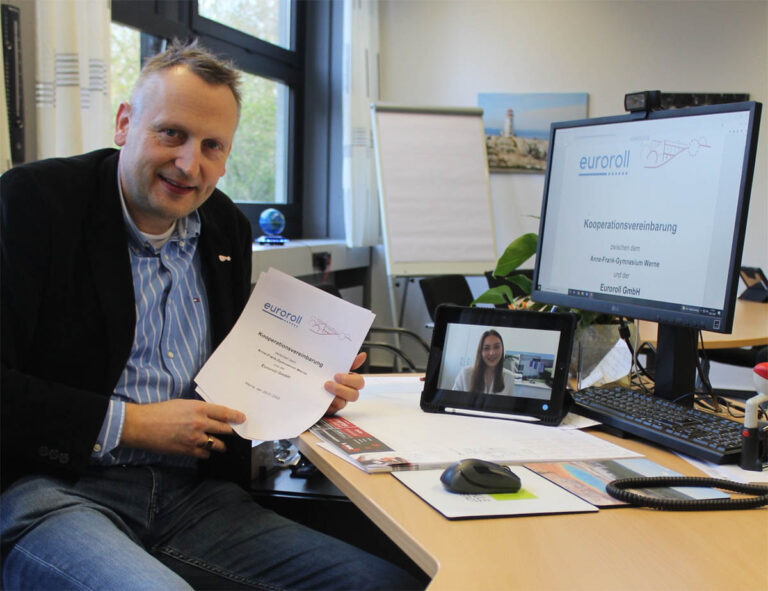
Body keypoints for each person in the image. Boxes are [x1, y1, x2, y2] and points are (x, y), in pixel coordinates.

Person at [0, 40, 422, 590]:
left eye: (212, 146)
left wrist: (303, 394)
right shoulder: (35, 202)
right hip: (58, 489)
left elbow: (236, 369)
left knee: (387, 584)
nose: (188, 164)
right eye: (171, 133)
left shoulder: (224, 227)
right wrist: (132, 423)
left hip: (192, 497)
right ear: (125, 123)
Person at [452, 330, 516, 395]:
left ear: (502, 349)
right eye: (486, 348)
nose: (492, 353)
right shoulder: (465, 374)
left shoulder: (509, 378)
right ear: (480, 352)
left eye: (496, 347)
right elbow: (451, 403)